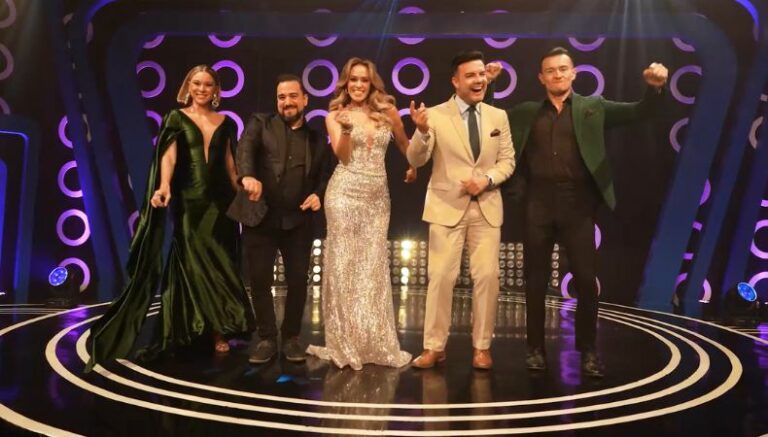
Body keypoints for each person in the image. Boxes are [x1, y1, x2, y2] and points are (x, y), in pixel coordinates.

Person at [485, 47, 668, 377]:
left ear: (573, 73)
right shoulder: (527, 112)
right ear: (541, 78)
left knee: (585, 280)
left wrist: (654, 89)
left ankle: (588, 351)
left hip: (579, 205)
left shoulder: (593, 107)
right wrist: (491, 85)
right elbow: (491, 118)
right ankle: (535, 349)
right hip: (538, 203)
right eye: (550, 70)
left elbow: (640, 112)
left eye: (562, 69)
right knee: (535, 281)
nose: (557, 74)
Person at [86, 65, 252, 371]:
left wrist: (242, 189)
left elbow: (230, 164)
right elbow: (169, 156)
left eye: (208, 84)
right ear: (188, 86)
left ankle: (218, 329)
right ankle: (192, 329)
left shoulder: (227, 122)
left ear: (216, 90)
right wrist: (164, 186)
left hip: (221, 203)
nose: (201, 89)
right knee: (193, 263)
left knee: (221, 264)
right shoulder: (175, 118)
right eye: (196, 83)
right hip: (189, 200)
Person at [407, 50, 515, 370]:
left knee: (488, 277)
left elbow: (507, 161)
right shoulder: (434, 115)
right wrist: (421, 132)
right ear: (455, 81)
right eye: (471, 75)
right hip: (446, 206)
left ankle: (482, 347)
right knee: (441, 277)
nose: (479, 80)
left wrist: (487, 180)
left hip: (487, 207)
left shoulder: (498, 117)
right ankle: (434, 347)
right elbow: (415, 159)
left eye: (482, 74)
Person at [306, 57, 416, 370]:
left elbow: (406, 145)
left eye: (363, 80)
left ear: (371, 83)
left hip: (377, 199)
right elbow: (342, 156)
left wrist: (413, 165)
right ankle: (344, 341)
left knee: (371, 268)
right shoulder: (335, 115)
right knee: (343, 266)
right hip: (343, 194)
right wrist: (344, 131)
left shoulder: (388, 112)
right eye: (352, 79)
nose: (357, 85)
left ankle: (372, 340)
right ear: (345, 82)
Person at [231, 74, 331, 364]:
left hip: (298, 221)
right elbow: (245, 149)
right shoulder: (260, 123)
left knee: (298, 280)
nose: (287, 102)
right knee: (259, 279)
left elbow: (324, 176)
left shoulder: (317, 139)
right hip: (260, 216)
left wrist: (319, 195)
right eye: (281, 97)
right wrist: (247, 176)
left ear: (305, 99)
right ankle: (266, 338)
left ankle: (291, 338)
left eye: (292, 96)